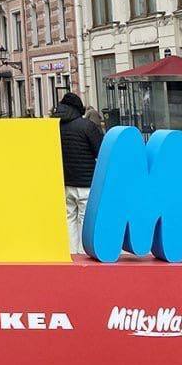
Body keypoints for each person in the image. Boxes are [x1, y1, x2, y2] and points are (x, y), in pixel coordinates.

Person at [55, 92, 105, 254]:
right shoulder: (86, 126)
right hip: (86, 182)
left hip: (65, 181)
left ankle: (71, 252)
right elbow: (100, 151)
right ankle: (84, 252)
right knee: (85, 217)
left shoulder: (55, 126)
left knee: (69, 217)